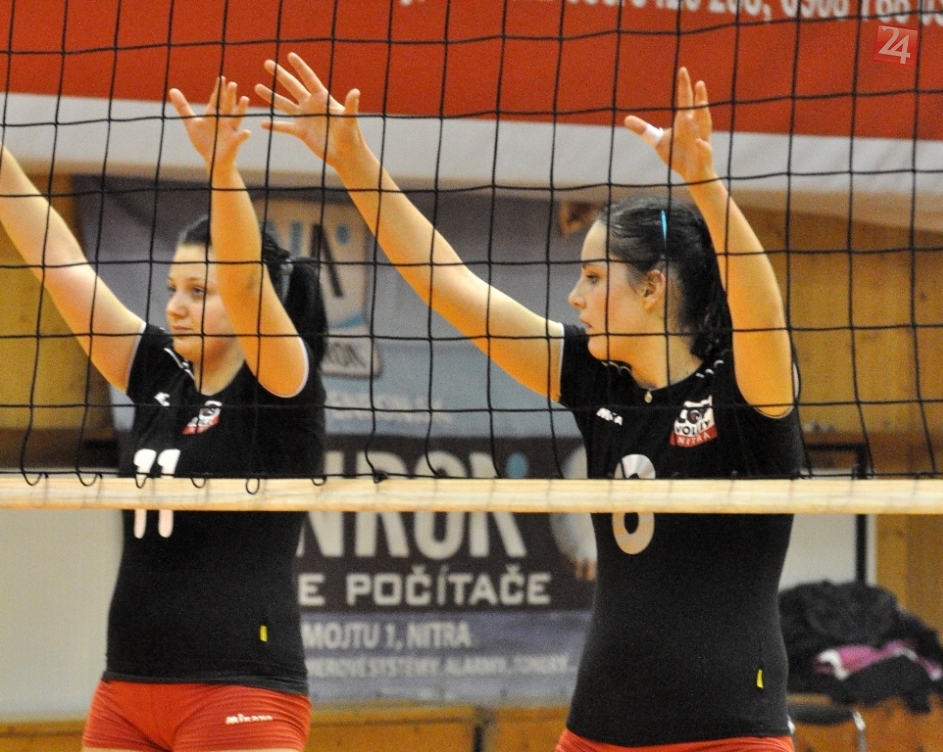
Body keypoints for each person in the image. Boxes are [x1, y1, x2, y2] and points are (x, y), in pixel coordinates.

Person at [256, 54, 803, 751]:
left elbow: (762, 311)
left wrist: (704, 182)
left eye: (594, 276)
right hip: (597, 730)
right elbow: (451, 286)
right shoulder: (599, 380)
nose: (575, 296)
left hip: (726, 735)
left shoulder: (743, 389)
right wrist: (353, 161)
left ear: (653, 287)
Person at [0, 76, 326, 752]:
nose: (176, 305)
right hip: (126, 690)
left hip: (239, 689)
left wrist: (221, 169)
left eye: (200, 291)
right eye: (174, 287)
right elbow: (58, 261)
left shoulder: (280, 388)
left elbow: (245, 279)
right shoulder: (158, 371)